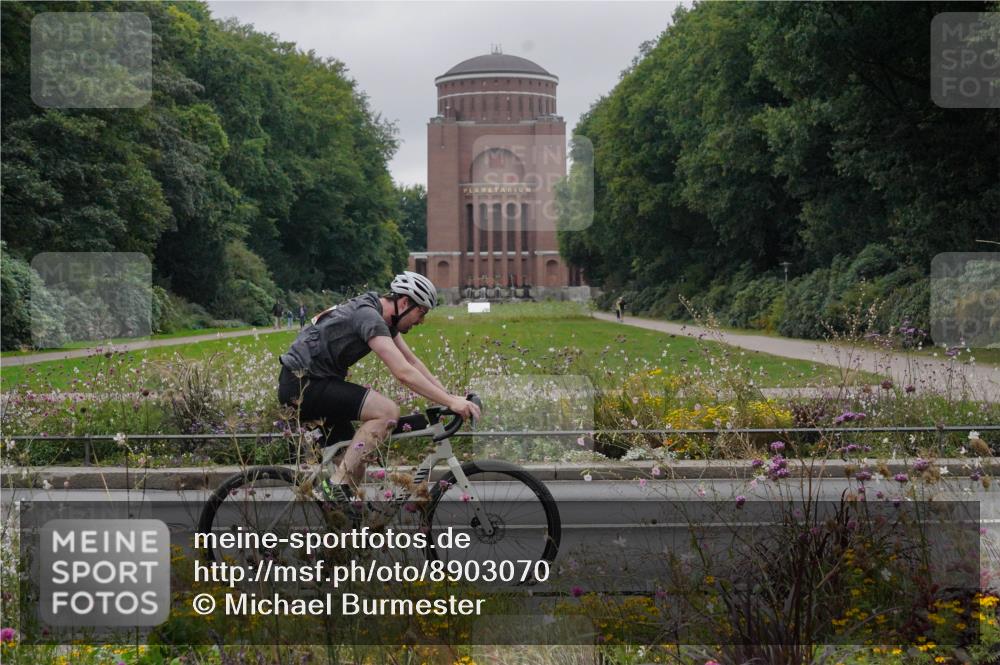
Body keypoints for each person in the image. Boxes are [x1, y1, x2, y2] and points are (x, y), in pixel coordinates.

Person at [277, 271, 480, 501]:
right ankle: (334, 488)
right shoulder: (368, 316)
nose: (422, 320)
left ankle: (344, 524)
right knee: (387, 412)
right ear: (404, 302)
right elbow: (403, 372)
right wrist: (451, 402)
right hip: (303, 384)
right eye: (421, 312)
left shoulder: (382, 317)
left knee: (356, 461)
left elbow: (411, 361)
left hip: (316, 382)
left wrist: (448, 396)